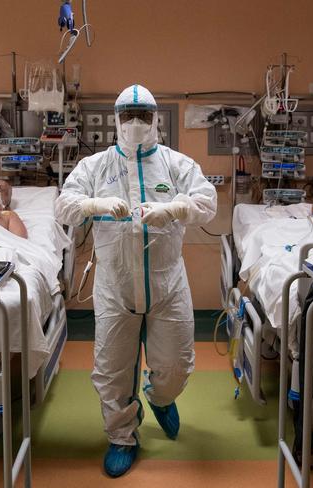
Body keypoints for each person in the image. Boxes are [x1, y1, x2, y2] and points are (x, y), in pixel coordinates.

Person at [55, 84, 217, 477]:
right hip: (115, 285)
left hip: (167, 284)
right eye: (127, 116)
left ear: (156, 118)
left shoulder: (176, 164)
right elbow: (63, 204)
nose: (135, 124)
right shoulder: (95, 167)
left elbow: (207, 202)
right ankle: (121, 437)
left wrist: (174, 208)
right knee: (111, 371)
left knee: (177, 366)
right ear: (116, 120)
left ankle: (160, 398)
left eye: (143, 115)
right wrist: (94, 205)